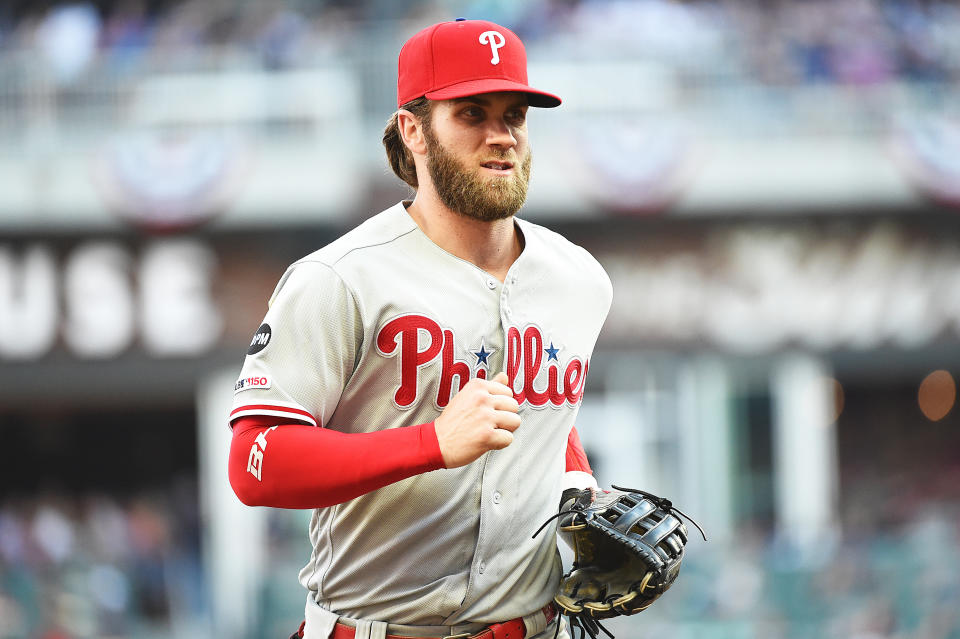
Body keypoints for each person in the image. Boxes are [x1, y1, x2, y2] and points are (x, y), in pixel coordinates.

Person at [227, 18, 612, 639]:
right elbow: (255, 463)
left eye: (514, 115)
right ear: (414, 130)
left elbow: (545, 416)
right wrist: (431, 443)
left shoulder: (579, 279)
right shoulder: (339, 278)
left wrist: (581, 492)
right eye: (472, 114)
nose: (501, 136)